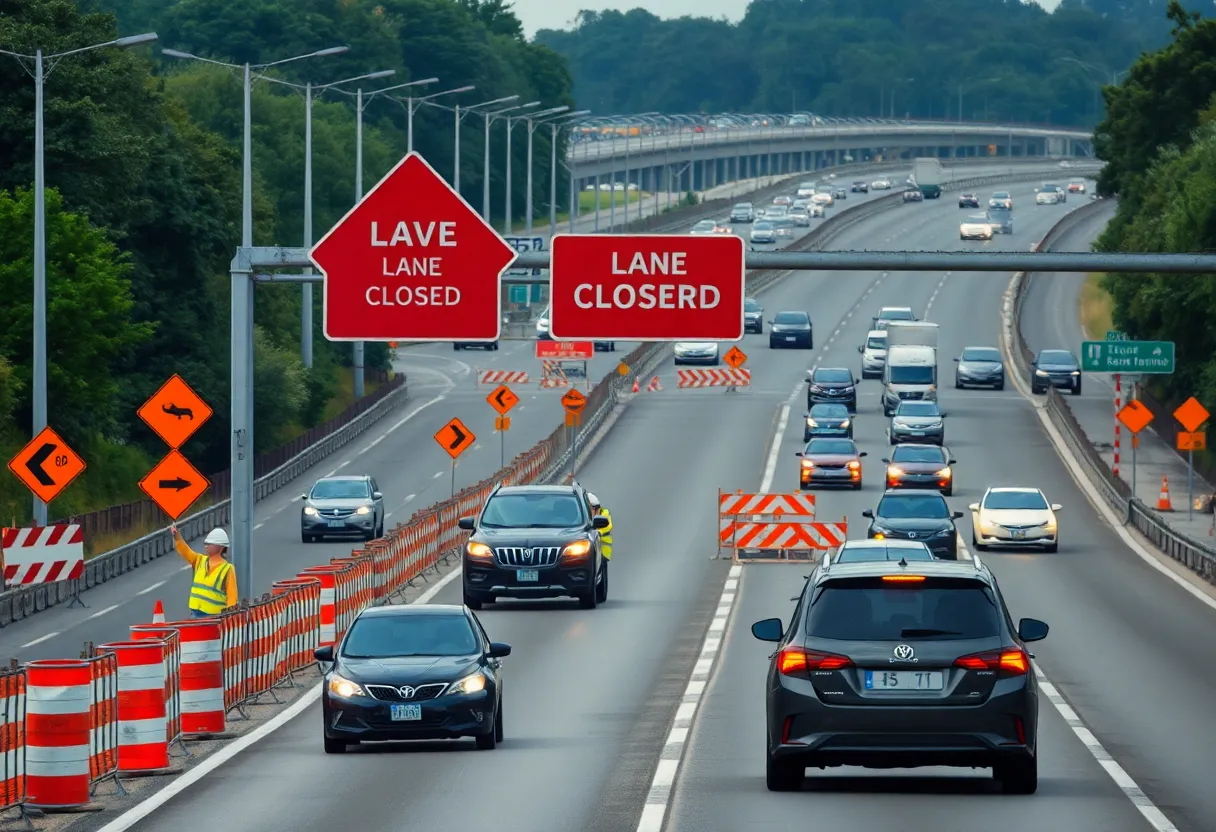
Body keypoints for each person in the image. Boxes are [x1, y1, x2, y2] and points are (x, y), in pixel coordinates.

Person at [171, 524, 237, 618]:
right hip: (194, 614)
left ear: (221, 547)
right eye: (206, 543)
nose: (206, 546)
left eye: (210, 544)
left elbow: (232, 596)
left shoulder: (227, 569)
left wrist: (231, 617)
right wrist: (177, 537)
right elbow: (186, 552)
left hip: (214, 617)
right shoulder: (199, 560)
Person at [587, 493, 612, 563]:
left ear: (597, 509)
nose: (587, 512)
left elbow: (606, 527)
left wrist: (594, 532)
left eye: (590, 509)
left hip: (603, 554)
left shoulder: (604, 515)